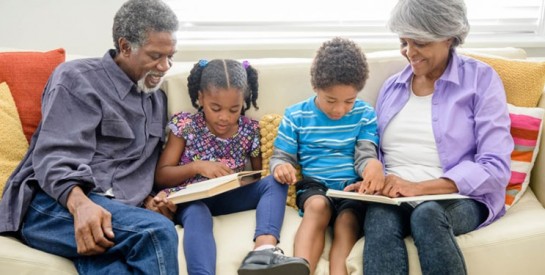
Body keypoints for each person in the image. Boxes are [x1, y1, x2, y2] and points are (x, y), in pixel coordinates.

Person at [0, 0, 181, 274]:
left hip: (113, 212)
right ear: (124, 46)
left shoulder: (156, 102)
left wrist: (150, 201)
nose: (165, 65)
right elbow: (53, 157)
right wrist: (81, 205)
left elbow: (139, 170)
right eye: (156, 55)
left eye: (171, 56)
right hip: (52, 204)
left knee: (112, 268)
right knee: (156, 233)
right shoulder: (77, 79)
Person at [343, 0, 514, 274]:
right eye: (403, 42)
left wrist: (417, 188)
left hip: (459, 198)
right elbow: (373, 147)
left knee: (427, 214)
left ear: (447, 36)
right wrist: (371, 176)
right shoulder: (393, 86)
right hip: (393, 198)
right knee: (378, 216)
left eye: (419, 42)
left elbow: (495, 168)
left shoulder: (480, 80)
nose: (409, 52)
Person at [153, 58, 310, 275]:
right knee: (198, 213)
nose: (224, 117)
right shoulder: (186, 126)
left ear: (243, 102)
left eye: (234, 109)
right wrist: (198, 167)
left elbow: (257, 175)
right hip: (192, 200)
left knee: (274, 182)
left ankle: (264, 250)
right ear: (200, 98)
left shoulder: (249, 131)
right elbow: (161, 176)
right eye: (215, 108)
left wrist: (244, 179)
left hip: (229, 196)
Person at [270, 37, 383, 275]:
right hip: (315, 187)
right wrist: (281, 167)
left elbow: (365, 155)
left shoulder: (364, 114)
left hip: (351, 188)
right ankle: (301, 267)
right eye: (331, 100)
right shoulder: (295, 116)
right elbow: (282, 157)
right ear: (315, 87)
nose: (339, 109)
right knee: (318, 207)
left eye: (349, 101)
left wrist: (372, 167)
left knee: (347, 221)